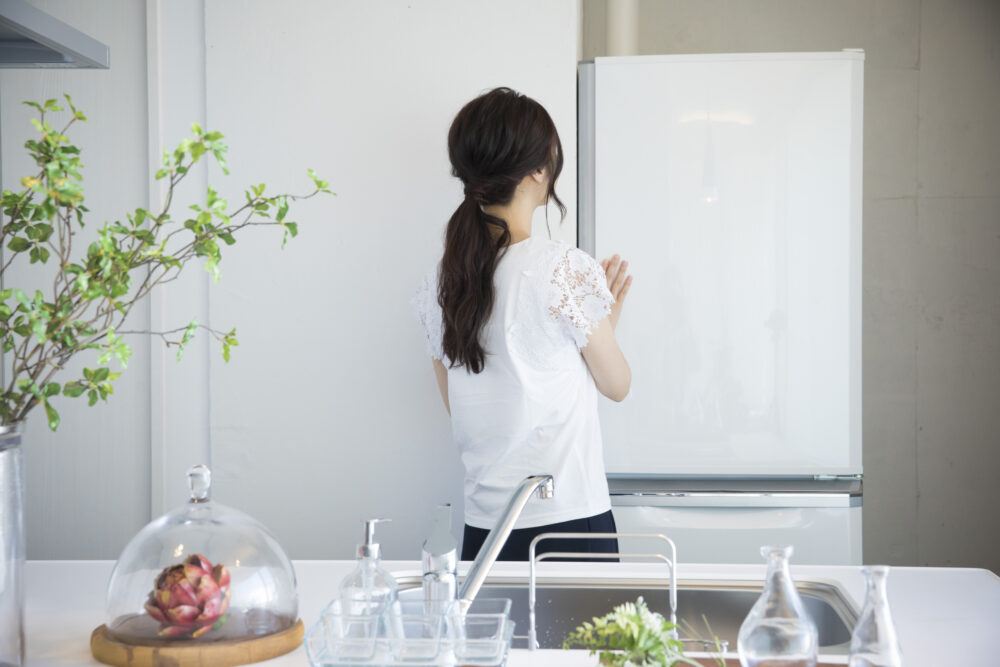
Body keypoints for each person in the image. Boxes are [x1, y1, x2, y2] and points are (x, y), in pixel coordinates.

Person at [413, 87, 632, 562]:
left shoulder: (441, 284)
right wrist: (605, 319)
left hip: (484, 533)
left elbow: (464, 407)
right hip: (568, 525)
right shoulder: (563, 269)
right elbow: (616, 384)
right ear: (538, 169)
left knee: (493, 639)